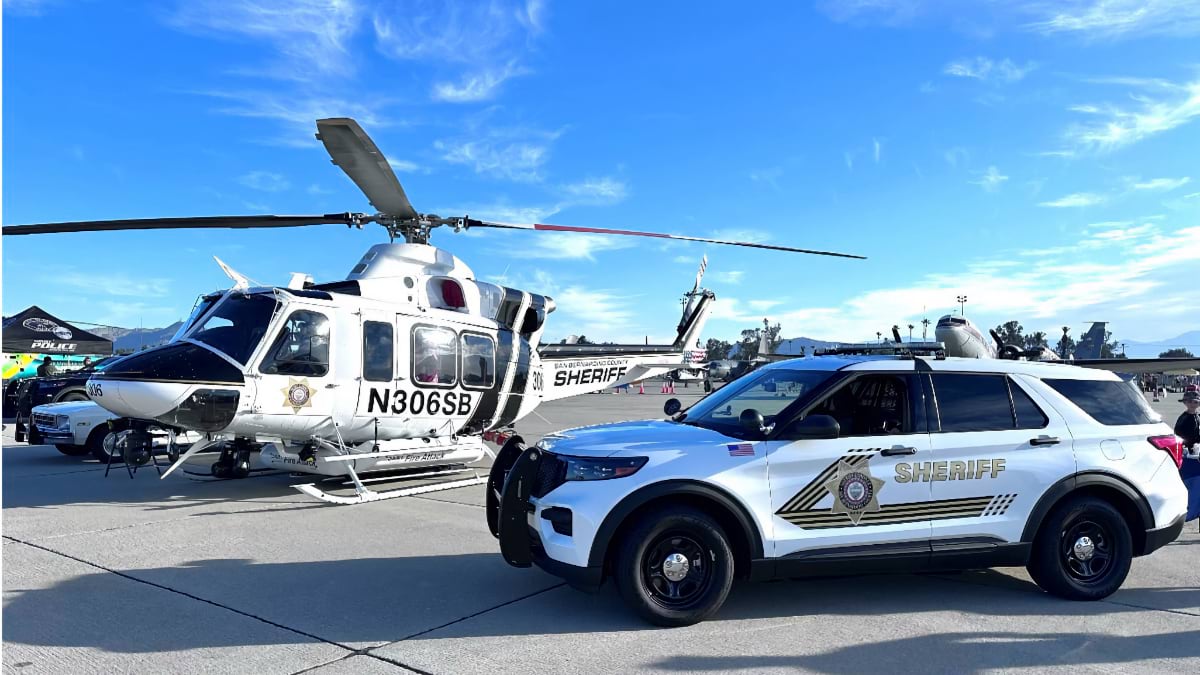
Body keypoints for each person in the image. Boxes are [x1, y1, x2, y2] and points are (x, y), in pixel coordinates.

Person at [1175, 390, 1200, 527]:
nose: (1192, 404)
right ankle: (1189, 514)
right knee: (1194, 487)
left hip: (1196, 457)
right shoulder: (1183, 419)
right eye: (1190, 401)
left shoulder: (1198, 416)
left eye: (1195, 402)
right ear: (1185, 403)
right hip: (1188, 458)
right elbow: (1178, 437)